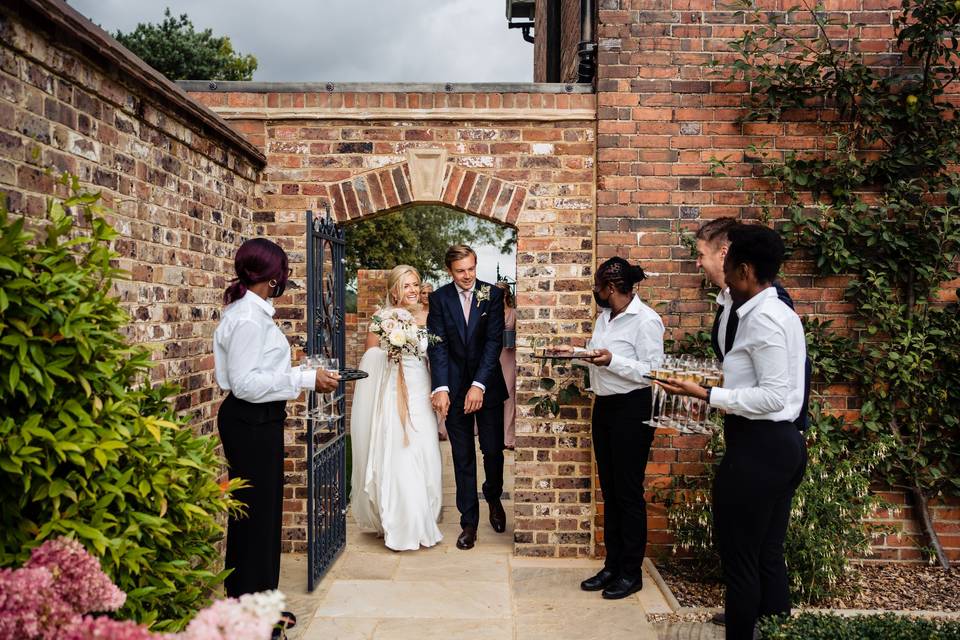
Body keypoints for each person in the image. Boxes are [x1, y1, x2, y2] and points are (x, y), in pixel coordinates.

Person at [658, 225, 808, 640]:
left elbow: (774, 397)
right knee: (764, 553)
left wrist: (707, 394)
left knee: (740, 560)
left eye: (729, 267)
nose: (722, 275)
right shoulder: (772, 312)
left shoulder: (765, 320)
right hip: (777, 448)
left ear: (744, 269)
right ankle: (775, 629)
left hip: (760, 450)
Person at [214, 238, 340, 634]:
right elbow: (245, 383)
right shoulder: (249, 318)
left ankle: (258, 601)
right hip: (250, 422)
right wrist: (303, 378)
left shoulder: (250, 312)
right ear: (272, 276)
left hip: (258, 421)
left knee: (262, 515)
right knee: (255, 518)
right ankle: (251, 613)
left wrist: (293, 370)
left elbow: (256, 371)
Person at [556, 257, 665, 600]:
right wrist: (573, 353)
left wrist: (612, 361)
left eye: (598, 287)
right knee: (611, 490)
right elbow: (597, 354)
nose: (595, 293)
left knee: (628, 493)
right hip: (604, 408)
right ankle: (612, 564)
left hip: (633, 409)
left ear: (613, 288)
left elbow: (653, 372)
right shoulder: (605, 317)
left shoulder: (647, 321)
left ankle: (631, 572)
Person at [349, 265, 444, 551]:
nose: (414, 291)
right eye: (407, 286)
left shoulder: (429, 317)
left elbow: (435, 356)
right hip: (392, 392)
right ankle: (402, 523)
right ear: (394, 290)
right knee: (400, 453)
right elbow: (369, 358)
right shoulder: (381, 318)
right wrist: (390, 349)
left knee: (424, 449)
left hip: (420, 390)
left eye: (416, 285)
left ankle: (424, 516)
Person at [427, 244, 509, 550]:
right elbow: (438, 346)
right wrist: (441, 388)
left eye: (471, 269)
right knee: (462, 457)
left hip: (486, 387)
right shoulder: (439, 299)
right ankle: (468, 523)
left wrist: (479, 385)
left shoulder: (493, 295)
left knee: (492, 451)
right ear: (450, 271)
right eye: (460, 271)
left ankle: (494, 496)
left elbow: (493, 343)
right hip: (454, 390)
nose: (467, 276)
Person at [695, 217, 810, 432]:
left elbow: (782, 385)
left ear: (724, 254)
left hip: (767, 431)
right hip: (745, 423)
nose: (697, 263)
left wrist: (706, 393)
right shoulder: (731, 301)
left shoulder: (766, 310)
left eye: (701, 254)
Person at [420, 282, 448, 442]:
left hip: (436, 357)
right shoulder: (414, 314)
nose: (426, 296)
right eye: (423, 293)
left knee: (440, 388)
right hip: (421, 357)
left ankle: (441, 429)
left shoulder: (438, 312)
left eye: (429, 293)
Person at [495, 281, 517, 450]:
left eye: (500, 293)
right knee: (494, 396)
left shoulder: (513, 313)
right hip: (493, 356)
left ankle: (508, 439)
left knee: (508, 396)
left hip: (508, 355)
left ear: (506, 295)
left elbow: (519, 334)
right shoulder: (489, 312)